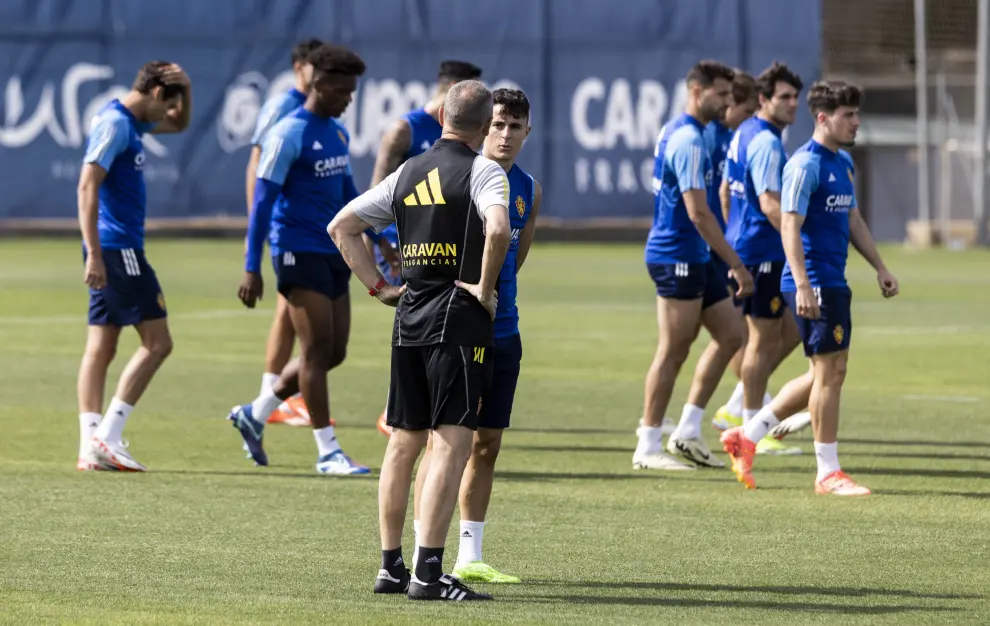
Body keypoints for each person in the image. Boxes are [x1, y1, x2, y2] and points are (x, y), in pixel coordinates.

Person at [328, 79, 509, 601]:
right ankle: (430, 574)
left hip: (408, 317)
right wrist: (483, 287)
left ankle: (391, 567)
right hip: (458, 319)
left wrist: (379, 287)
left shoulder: (409, 170)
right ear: (483, 125)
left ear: (443, 117)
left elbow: (341, 226)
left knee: (404, 443)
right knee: (451, 444)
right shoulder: (483, 170)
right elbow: (496, 229)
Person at [721, 80, 899, 495]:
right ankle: (827, 473)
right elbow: (789, 227)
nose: (856, 122)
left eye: (857, 114)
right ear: (823, 118)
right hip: (813, 281)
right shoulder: (805, 165)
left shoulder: (842, 163)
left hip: (833, 279)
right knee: (830, 374)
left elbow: (852, 219)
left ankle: (746, 436)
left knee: (825, 372)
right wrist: (801, 283)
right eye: (848, 115)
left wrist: (880, 266)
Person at [408, 88, 538, 584]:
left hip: (504, 332)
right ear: (484, 126)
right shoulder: (459, 176)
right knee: (440, 445)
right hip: (455, 330)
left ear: (529, 131)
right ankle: (425, 550)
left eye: (515, 126)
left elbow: (516, 256)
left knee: (487, 444)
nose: (505, 135)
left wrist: (494, 295)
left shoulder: (528, 188)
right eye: (498, 124)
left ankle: (470, 554)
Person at [228, 44, 373, 475]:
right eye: (344, 91)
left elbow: (348, 195)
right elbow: (262, 205)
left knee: (335, 351)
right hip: (295, 250)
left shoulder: (337, 132)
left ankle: (254, 413)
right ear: (321, 85)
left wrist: (379, 236)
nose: (350, 99)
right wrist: (252, 266)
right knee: (314, 352)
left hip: (333, 251)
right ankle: (328, 452)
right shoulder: (287, 133)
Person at [634, 60, 754, 472]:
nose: (727, 102)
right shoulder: (688, 139)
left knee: (732, 334)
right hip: (677, 256)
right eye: (721, 94)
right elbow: (699, 212)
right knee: (673, 351)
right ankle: (648, 444)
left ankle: (687, 429)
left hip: (695, 255)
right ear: (698, 92)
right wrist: (736, 264)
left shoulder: (692, 132)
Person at [76, 61, 192, 471]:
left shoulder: (127, 120)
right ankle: (106, 437)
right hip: (117, 249)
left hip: (109, 248)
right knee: (159, 343)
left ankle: (89, 446)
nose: (168, 115)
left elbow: (179, 125)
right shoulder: (116, 125)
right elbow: (87, 184)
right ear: (157, 94)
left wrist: (187, 87)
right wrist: (93, 251)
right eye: (168, 104)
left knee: (102, 348)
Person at [369, 59, 483, 435]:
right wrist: (385, 245)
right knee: (417, 323)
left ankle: (406, 411)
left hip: (439, 251)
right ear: (454, 90)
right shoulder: (404, 130)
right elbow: (376, 193)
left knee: (428, 326)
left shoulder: (461, 140)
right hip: (401, 250)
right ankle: (399, 411)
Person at [715, 62, 807, 455]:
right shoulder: (766, 141)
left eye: (795, 98)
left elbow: (724, 189)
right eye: (784, 97)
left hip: (749, 248)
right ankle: (754, 428)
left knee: (787, 331)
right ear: (764, 100)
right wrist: (801, 238)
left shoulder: (745, 133)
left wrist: (733, 232)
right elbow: (771, 205)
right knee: (763, 339)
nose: (792, 105)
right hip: (762, 252)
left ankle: (741, 405)